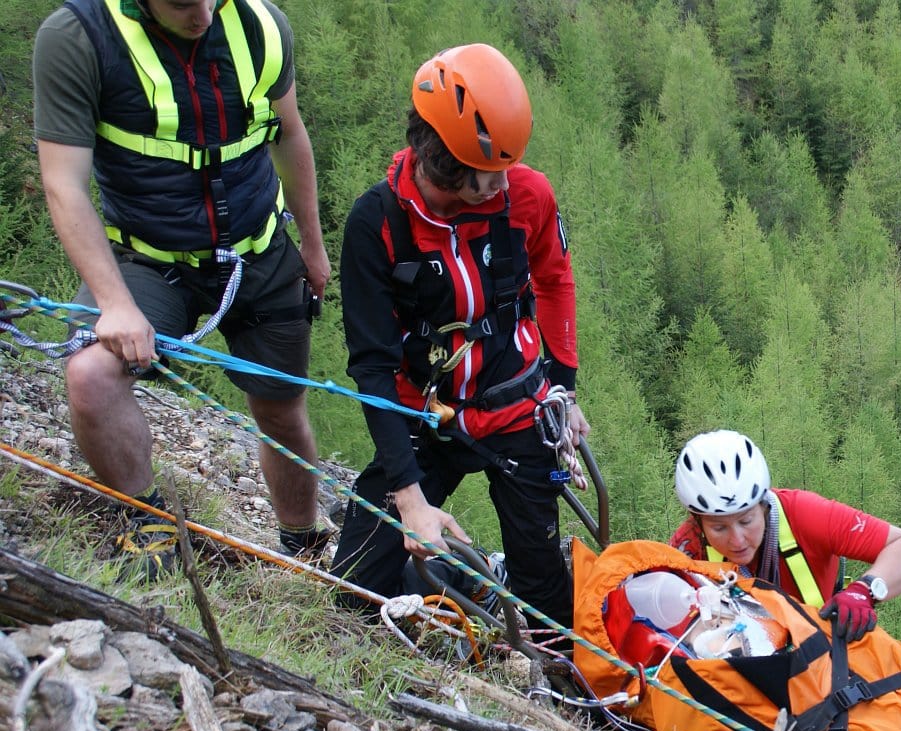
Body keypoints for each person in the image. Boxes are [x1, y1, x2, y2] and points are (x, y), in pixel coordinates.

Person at [33, 0, 330, 579]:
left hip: (259, 252)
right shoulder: (79, 39)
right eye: (180, 3)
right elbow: (62, 183)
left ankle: (301, 544)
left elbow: (289, 134)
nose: (202, 15)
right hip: (146, 259)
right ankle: (146, 521)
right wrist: (115, 304)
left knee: (281, 407)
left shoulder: (260, 25)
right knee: (92, 378)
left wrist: (313, 248)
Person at [330, 43, 585, 633]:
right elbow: (372, 366)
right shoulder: (377, 223)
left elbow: (554, 279)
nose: (502, 183)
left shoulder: (527, 195)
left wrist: (564, 389)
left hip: (517, 407)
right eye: (487, 172)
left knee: (546, 605)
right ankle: (457, 582)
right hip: (424, 415)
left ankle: (513, 597)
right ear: (442, 159)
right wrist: (410, 499)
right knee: (356, 589)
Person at [669, 430, 901, 641]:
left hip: (824, 653)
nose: (737, 540)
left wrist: (865, 591)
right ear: (698, 521)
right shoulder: (690, 544)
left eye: (746, 521)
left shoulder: (806, 515)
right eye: (719, 528)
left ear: (764, 505)